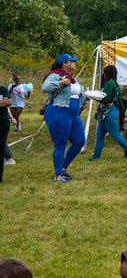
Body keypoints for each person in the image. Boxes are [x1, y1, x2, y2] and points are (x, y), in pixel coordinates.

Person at [41, 53, 87, 183]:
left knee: (79, 141)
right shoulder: (55, 75)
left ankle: (63, 167)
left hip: (72, 114)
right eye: (72, 61)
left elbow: (75, 94)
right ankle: (58, 175)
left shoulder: (72, 78)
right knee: (60, 144)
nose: (74, 63)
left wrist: (87, 96)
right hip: (59, 111)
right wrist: (61, 82)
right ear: (65, 63)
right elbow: (45, 87)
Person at [89, 65, 127, 161]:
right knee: (99, 136)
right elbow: (120, 102)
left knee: (115, 135)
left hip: (107, 112)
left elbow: (105, 99)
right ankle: (95, 157)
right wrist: (123, 116)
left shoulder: (108, 84)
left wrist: (93, 97)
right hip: (112, 111)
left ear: (106, 73)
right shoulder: (116, 85)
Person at [0, 84, 11, 182]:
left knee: (1, 149)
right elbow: (3, 103)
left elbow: (9, 102)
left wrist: (5, 103)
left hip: (2, 122)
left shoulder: (3, 89)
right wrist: (1, 103)